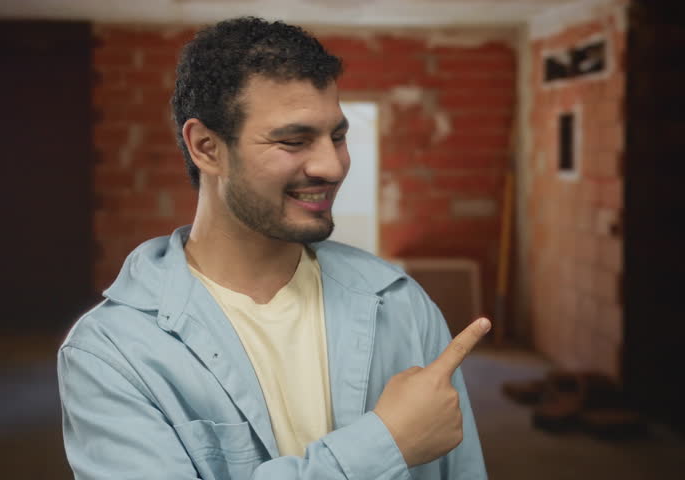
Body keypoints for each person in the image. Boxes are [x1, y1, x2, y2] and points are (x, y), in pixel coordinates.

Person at [58, 16, 490, 480]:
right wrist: (384, 445)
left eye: (338, 136)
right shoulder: (111, 352)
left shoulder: (401, 305)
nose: (332, 165)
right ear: (206, 147)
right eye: (293, 140)